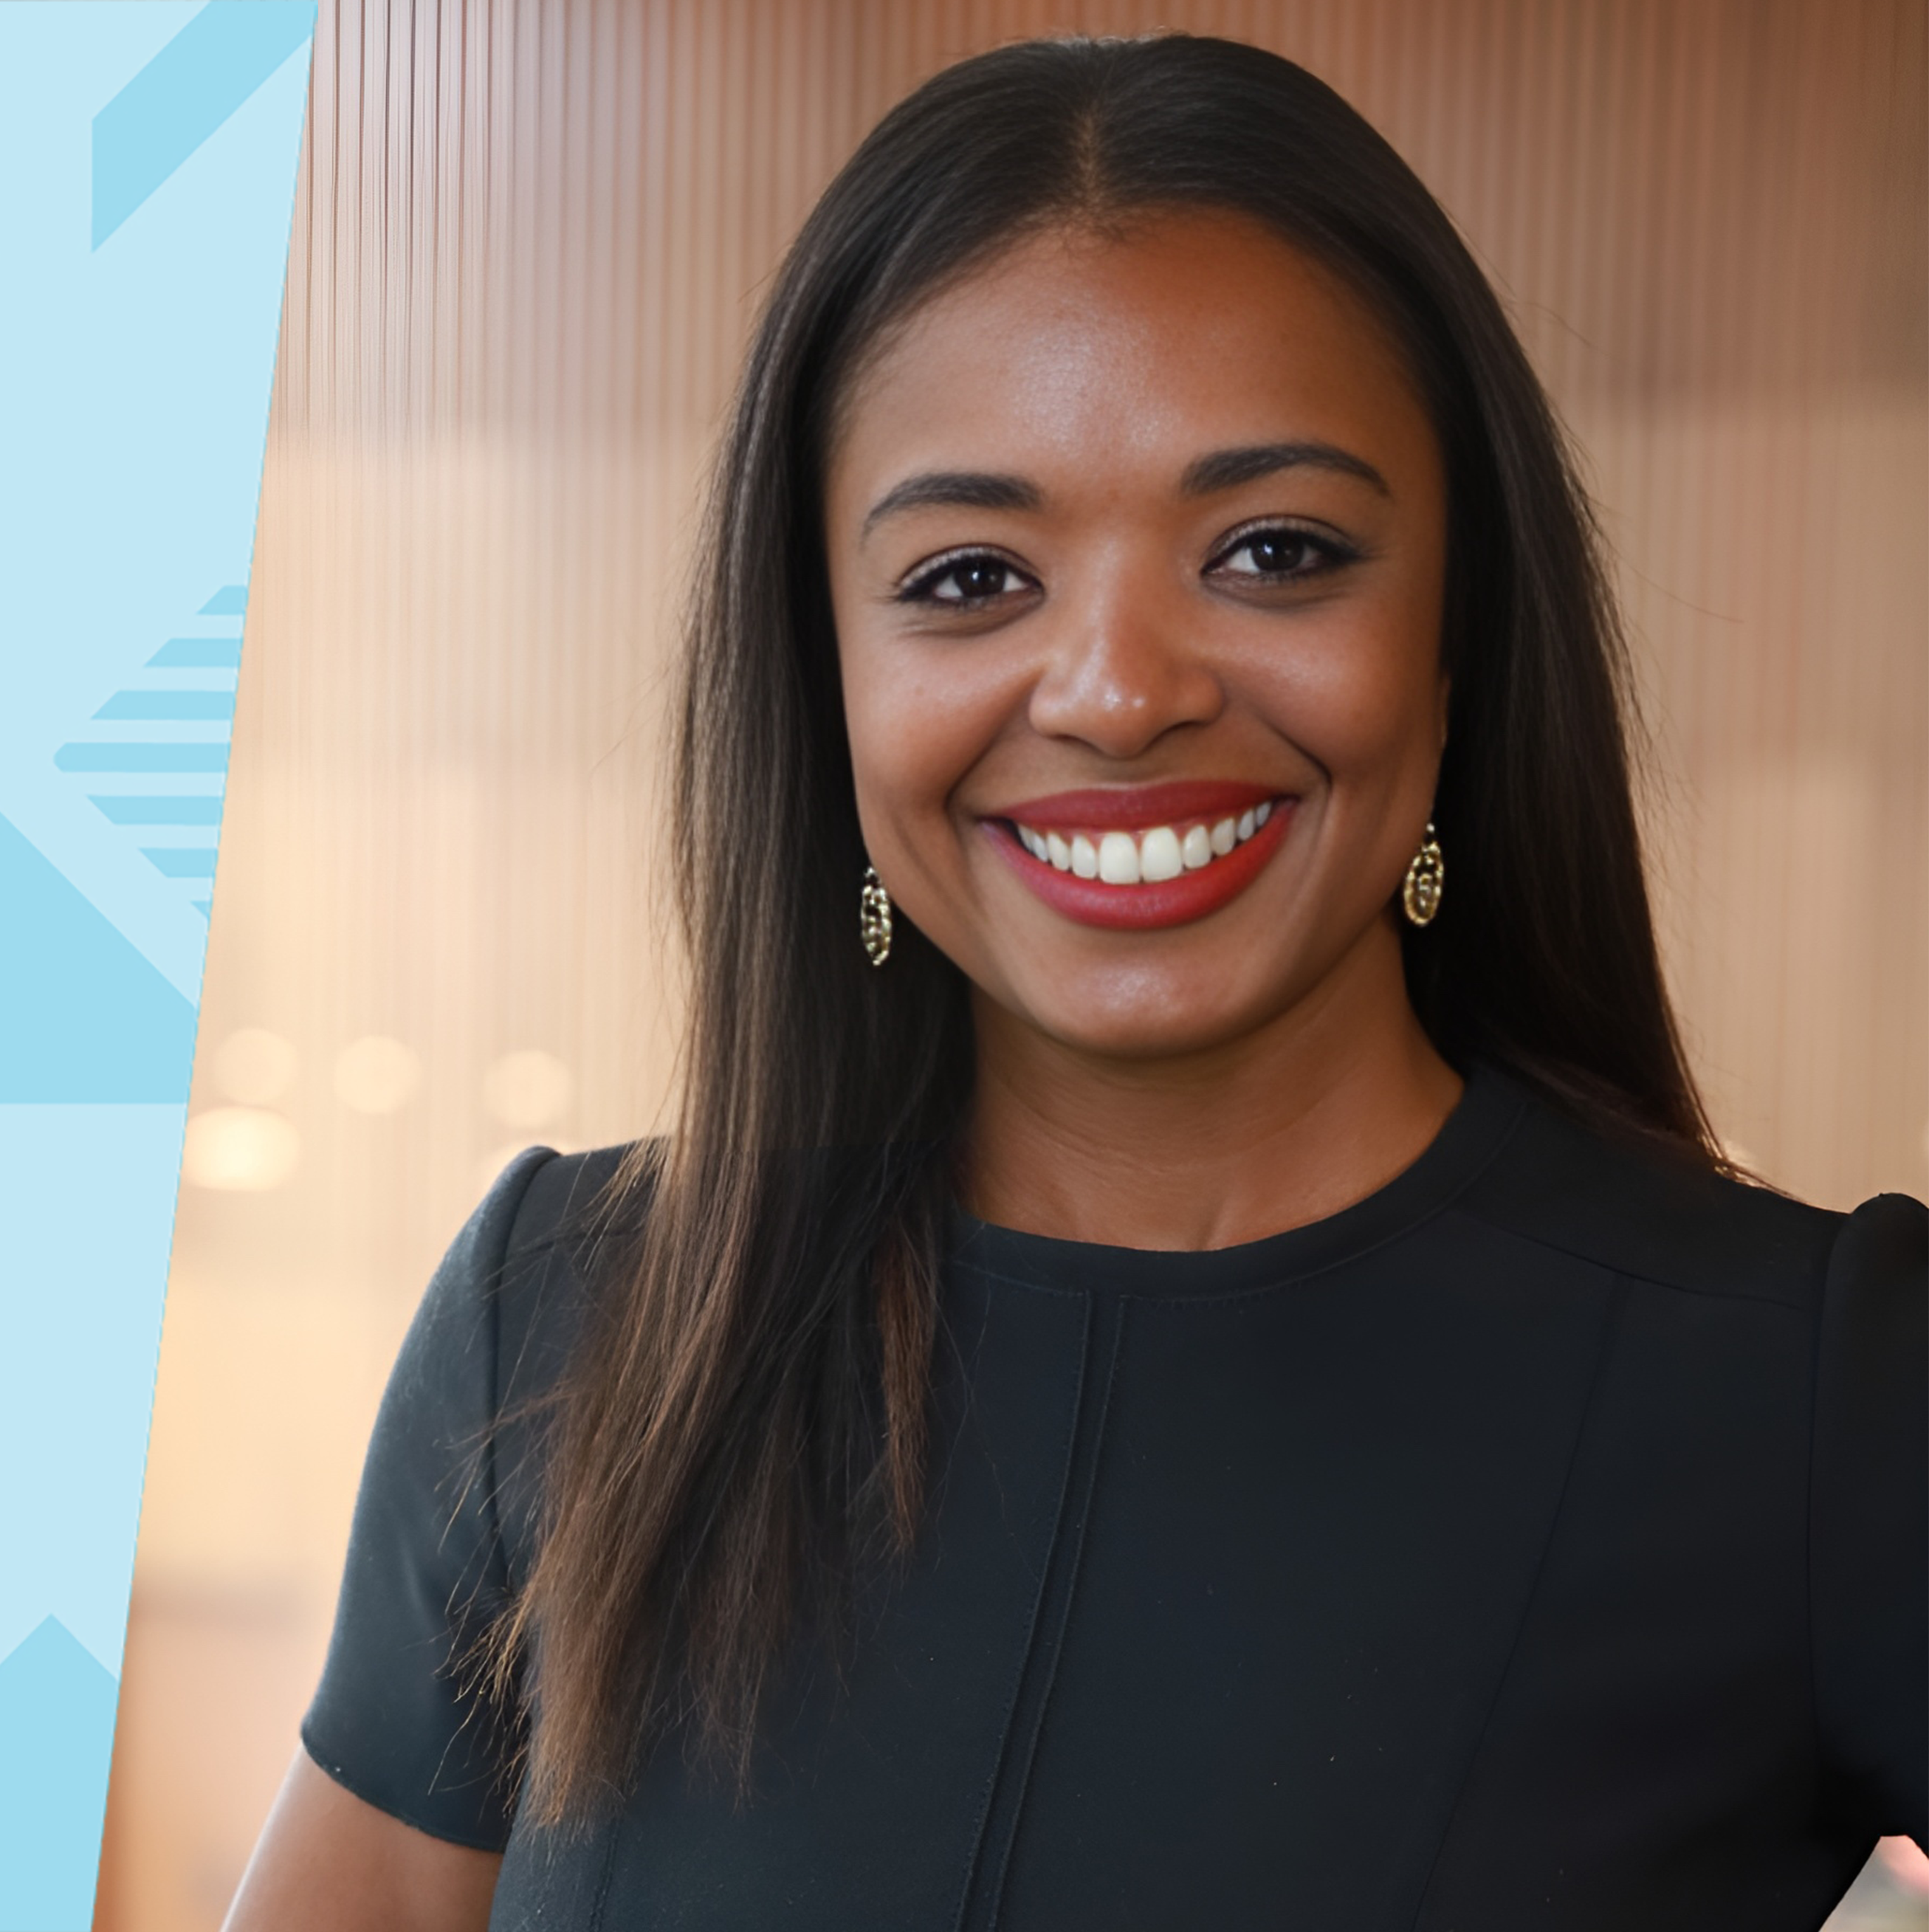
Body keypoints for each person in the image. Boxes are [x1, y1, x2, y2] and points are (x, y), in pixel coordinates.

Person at [224, 33, 1928, 1932]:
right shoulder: (562, 1327)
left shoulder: (1811, 1396)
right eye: (968, 578)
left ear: (1457, 645)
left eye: (1274, 551)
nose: (1117, 693)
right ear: (827, 680)